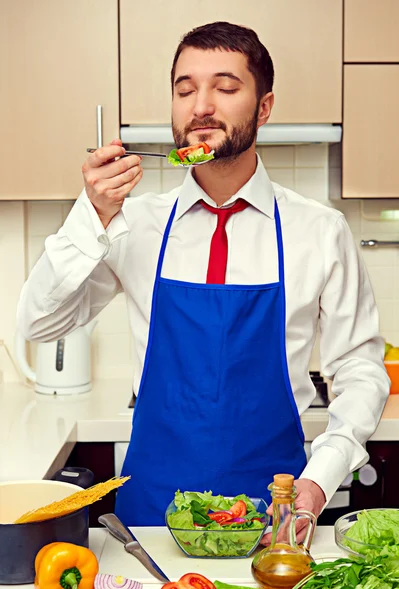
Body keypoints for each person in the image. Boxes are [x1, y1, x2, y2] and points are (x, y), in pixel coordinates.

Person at [17, 21, 390, 532]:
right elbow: (38, 323)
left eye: (226, 87)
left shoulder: (319, 230)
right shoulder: (132, 224)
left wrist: (322, 477)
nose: (200, 107)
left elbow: (362, 370)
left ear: (264, 107)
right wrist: (91, 216)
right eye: (184, 89)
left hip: (275, 517)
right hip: (150, 521)